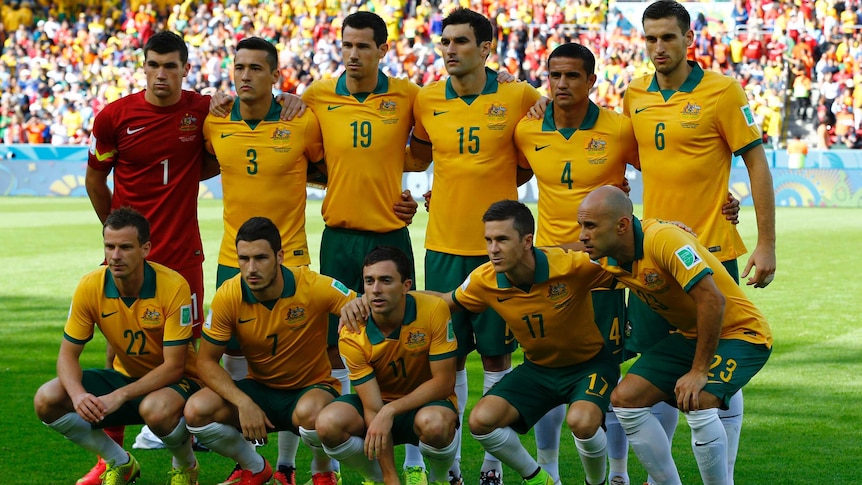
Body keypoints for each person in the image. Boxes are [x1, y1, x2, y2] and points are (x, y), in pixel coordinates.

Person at [624, 2, 776, 482]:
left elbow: (756, 162)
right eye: (650, 38)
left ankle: (722, 473)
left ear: (689, 39)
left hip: (711, 252)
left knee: (715, 363)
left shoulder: (722, 92)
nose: (658, 47)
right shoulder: (633, 95)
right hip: (651, 257)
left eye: (667, 37)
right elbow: (627, 155)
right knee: (656, 369)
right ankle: (660, 473)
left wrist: (765, 242)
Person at [380, 200, 616, 485]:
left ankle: (596, 483)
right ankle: (539, 479)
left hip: (588, 366)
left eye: (502, 239)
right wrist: (379, 300)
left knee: (582, 421)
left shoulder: (571, 266)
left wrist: (661, 232)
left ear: (527, 241)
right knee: (481, 421)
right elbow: (445, 301)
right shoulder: (484, 280)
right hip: (538, 371)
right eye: (489, 240)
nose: (493, 249)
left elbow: (627, 260)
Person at [409, 9, 541, 483]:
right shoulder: (426, 100)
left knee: (496, 356)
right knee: (447, 356)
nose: (449, 50)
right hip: (443, 245)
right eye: (445, 42)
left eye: (461, 42)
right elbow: (421, 153)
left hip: (497, 253)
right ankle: (453, 466)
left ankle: (492, 467)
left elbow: (541, 147)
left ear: (486, 49)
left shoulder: (519, 94)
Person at [299, 11, 427, 482]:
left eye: (363, 47)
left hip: (390, 235)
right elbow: (309, 159)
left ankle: (412, 461)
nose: (353, 55)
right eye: (347, 45)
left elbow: (428, 149)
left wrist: (405, 193)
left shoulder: (408, 96)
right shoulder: (316, 96)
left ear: (382, 50)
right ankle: (329, 462)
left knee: (407, 343)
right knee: (335, 344)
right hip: (340, 238)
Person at [82, 31, 215, 482]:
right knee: (115, 346)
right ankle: (112, 457)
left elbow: (224, 148)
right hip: (130, 256)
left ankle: (185, 433)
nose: (162, 75)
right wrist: (115, 233)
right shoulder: (114, 116)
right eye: (154, 65)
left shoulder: (202, 111)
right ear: (143, 67)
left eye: (171, 66)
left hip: (181, 252)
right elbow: (95, 179)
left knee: (189, 348)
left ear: (185, 69)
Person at [577, 186, 772, 485]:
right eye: (581, 226)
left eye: (590, 226)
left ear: (622, 225)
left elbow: (713, 300)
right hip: (691, 335)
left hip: (742, 333)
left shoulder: (664, 239)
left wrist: (698, 370)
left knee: (699, 398)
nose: (583, 235)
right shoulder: (608, 253)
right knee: (625, 399)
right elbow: (561, 255)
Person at [202, 36, 326, 485]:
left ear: (276, 76)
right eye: (240, 67)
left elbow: (327, 168)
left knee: (297, 362)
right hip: (230, 259)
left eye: (257, 68)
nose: (246, 75)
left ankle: (295, 467)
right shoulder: (214, 121)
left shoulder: (302, 121)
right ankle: (251, 464)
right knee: (232, 355)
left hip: (292, 259)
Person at [33, 207, 202, 485]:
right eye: (109, 246)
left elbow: (174, 367)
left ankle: (185, 466)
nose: (115, 256)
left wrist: (120, 396)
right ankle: (120, 462)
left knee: (155, 409)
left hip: (179, 382)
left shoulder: (173, 285)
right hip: (125, 377)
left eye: (125, 247)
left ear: (145, 248)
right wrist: (77, 396)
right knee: (46, 398)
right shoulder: (90, 285)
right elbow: (67, 355)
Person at [184, 217, 356, 485]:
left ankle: (324, 471)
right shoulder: (229, 295)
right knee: (196, 411)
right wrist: (243, 402)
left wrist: (356, 306)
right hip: (260, 388)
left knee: (313, 413)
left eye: (260, 258)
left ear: (279, 256)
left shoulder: (312, 286)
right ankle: (254, 467)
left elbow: (366, 304)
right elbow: (205, 361)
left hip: (311, 388)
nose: (251, 268)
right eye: (243, 259)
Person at [317, 246, 459, 485]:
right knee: (328, 423)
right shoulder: (352, 332)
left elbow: (444, 382)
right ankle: (376, 478)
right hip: (376, 406)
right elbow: (372, 407)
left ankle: (442, 478)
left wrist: (390, 410)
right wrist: (390, 478)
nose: (375, 290)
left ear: (406, 286)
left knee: (435, 424)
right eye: (369, 281)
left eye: (385, 280)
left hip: (426, 404)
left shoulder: (434, 309)